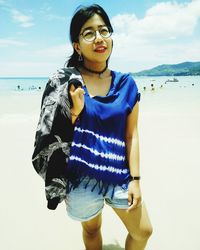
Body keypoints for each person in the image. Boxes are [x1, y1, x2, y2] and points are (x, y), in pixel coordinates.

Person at [33, 4, 153, 250]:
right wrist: (74, 113)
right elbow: (54, 136)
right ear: (77, 45)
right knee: (92, 230)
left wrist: (136, 180)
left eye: (104, 30)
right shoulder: (67, 83)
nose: (99, 38)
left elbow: (132, 135)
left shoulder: (126, 84)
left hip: (120, 175)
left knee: (143, 232)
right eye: (88, 33)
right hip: (81, 177)